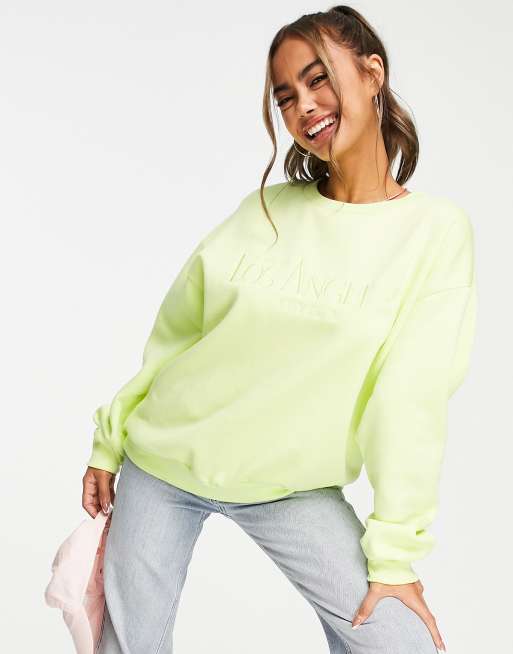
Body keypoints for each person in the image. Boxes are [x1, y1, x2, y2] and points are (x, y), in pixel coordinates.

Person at [82, 5, 476, 653]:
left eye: (318, 79)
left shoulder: (433, 233)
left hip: (290, 486)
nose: (304, 107)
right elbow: (176, 335)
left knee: (398, 643)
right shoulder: (262, 210)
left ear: (372, 73)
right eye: (286, 96)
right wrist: (109, 440)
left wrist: (394, 555)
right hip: (163, 463)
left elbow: (410, 399)